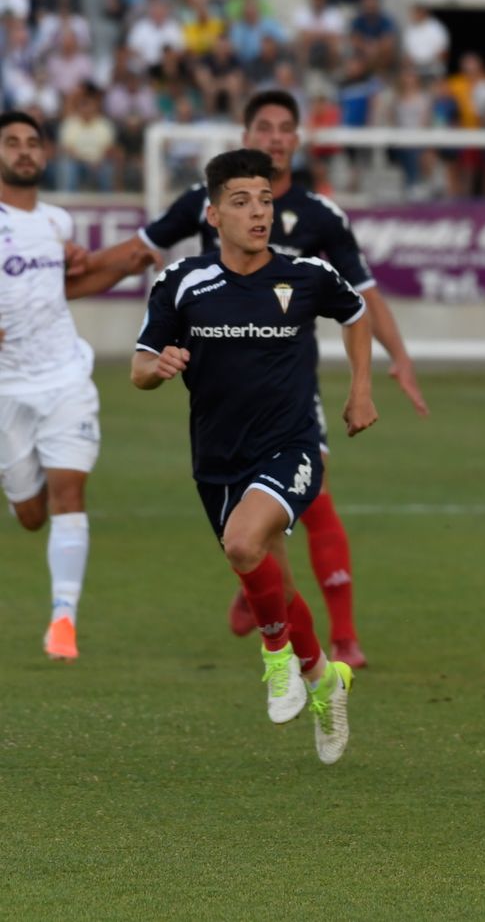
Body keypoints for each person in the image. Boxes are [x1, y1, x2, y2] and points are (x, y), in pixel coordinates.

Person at [106, 90, 428, 667]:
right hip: (220, 398)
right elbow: (142, 251)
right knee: (257, 542)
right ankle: (259, 582)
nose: (276, 138)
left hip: (291, 391)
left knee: (313, 494)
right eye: (265, 128)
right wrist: (73, 272)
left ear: (297, 142)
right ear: (247, 135)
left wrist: (392, 360)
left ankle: (340, 638)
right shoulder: (199, 210)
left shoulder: (321, 218)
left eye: (286, 129)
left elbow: (361, 297)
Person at [133, 148, 374, 764]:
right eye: (241, 202)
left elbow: (356, 313)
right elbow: (139, 366)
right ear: (213, 215)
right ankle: (322, 677)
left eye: (264, 200)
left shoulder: (307, 274)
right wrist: (158, 367)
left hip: (291, 446)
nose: (258, 212)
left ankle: (276, 659)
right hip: (216, 460)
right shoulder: (182, 283)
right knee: (281, 587)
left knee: (243, 546)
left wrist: (361, 390)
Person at [0, 111, 156, 661]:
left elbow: (70, 286)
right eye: (12, 143)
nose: (23, 151)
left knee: (70, 493)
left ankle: (62, 620)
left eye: (31, 143)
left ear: (44, 155)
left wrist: (126, 265)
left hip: (66, 376)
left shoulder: (57, 223)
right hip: (7, 391)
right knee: (30, 515)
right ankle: (26, 481)